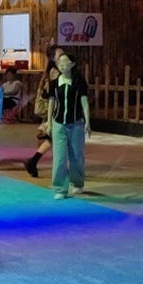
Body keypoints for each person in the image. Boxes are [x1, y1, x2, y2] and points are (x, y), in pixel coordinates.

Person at [48, 52, 91, 199]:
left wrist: (87, 122)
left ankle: (77, 183)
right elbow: (51, 102)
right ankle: (60, 188)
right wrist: (49, 123)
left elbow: (84, 102)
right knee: (59, 157)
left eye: (65, 62)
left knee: (76, 156)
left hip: (76, 124)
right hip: (58, 124)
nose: (61, 65)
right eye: (59, 63)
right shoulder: (54, 83)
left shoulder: (79, 82)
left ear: (72, 64)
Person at [24, 47, 62, 178]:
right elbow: (53, 94)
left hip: (54, 110)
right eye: (60, 54)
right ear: (53, 58)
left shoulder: (51, 71)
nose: (63, 56)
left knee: (54, 139)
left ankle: (33, 162)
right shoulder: (55, 73)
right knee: (56, 139)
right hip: (55, 110)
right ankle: (34, 162)